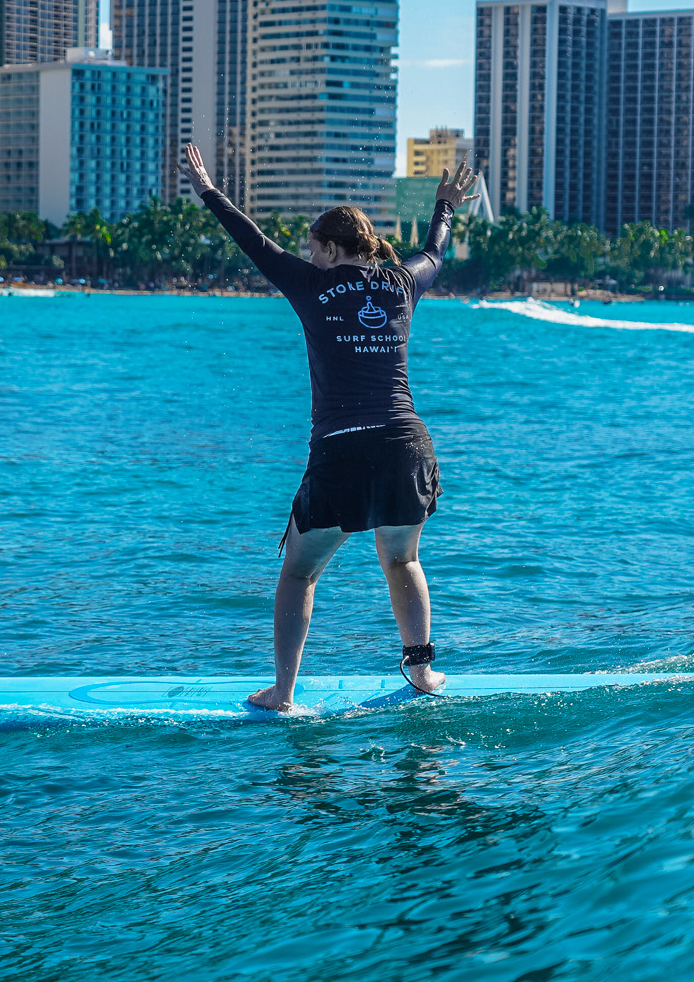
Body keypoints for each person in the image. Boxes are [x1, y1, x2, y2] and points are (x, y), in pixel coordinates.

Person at [177, 141, 473, 712]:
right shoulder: (400, 283)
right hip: (405, 445)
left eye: (314, 250)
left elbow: (252, 242)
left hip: (340, 451)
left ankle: (283, 692)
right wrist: (444, 206)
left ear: (333, 248)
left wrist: (210, 192)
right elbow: (435, 253)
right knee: (403, 559)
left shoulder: (312, 285)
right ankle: (422, 671)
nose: (308, 259)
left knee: (299, 572)